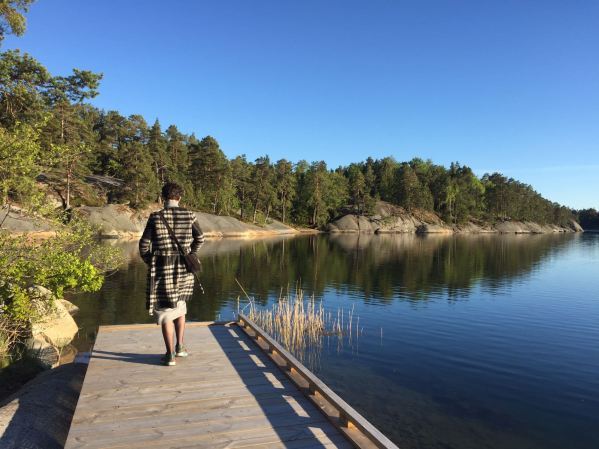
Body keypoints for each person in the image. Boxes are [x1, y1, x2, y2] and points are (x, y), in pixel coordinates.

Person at [139, 182, 204, 366]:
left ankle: (169, 355)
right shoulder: (189, 215)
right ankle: (180, 347)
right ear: (179, 197)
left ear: (163, 198)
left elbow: (143, 245)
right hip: (184, 267)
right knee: (180, 305)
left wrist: (152, 261)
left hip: (162, 268)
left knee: (165, 310)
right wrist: (191, 253)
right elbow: (200, 238)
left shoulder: (155, 217)